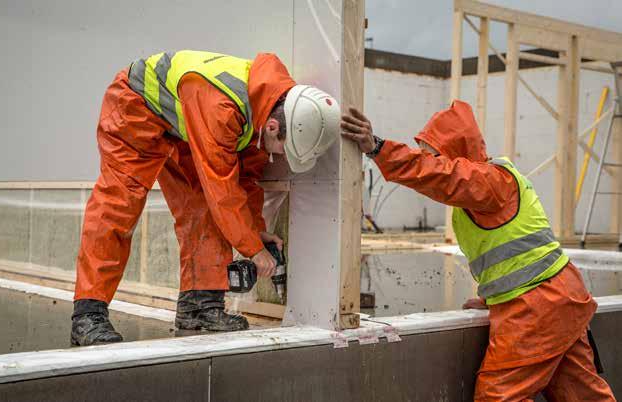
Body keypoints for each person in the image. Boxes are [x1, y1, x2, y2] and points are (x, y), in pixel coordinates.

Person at [341, 101, 616, 401]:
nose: (427, 159)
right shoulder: (487, 190)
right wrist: (490, 297)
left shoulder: (490, 181)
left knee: (498, 397)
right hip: (560, 299)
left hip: (537, 307)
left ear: (455, 153)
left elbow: (441, 175)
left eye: (431, 154)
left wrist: (377, 147)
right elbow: (519, 252)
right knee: (582, 395)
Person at [71, 50, 340, 346]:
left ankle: (199, 306)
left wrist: (256, 231)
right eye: (283, 150)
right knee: (119, 203)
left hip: (181, 124)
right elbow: (222, 192)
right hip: (135, 106)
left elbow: (244, 181)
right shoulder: (222, 105)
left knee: (202, 207)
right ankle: (88, 314)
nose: (279, 157)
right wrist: (253, 250)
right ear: (274, 128)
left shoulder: (264, 108)